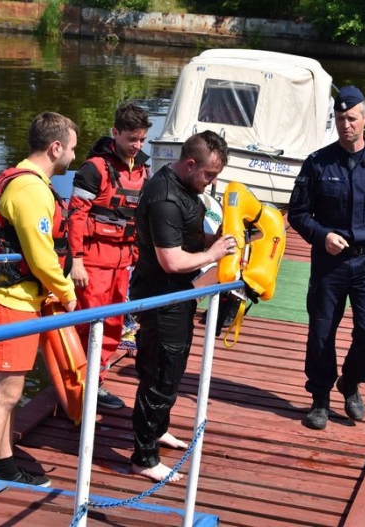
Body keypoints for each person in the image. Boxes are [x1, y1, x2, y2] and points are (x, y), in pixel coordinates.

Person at [287, 86, 365, 431]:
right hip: (330, 263)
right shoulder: (318, 163)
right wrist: (321, 235)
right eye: (340, 119)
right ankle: (320, 399)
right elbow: (297, 213)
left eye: (352, 118)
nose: (345, 125)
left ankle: (351, 382)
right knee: (322, 333)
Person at [0, 111, 79, 488]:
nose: (73, 158)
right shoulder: (31, 190)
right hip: (7, 301)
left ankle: (4, 465)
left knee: (7, 392)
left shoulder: (14, 177)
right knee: (4, 394)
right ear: (55, 148)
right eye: (71, 149)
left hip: (11, 298)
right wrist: (67, 293)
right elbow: (41, 255)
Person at [129, 130, 238, 482]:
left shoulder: (188, 189)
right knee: (160, 373)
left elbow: (185, 236)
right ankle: (144, 458)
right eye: (209, 174)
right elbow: (172, 261)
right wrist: (214, 254)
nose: (212, 182)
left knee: (170, 369)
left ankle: (158, 429)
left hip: (178, 296)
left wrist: (217, 238)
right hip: (162, 295)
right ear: (190, 164)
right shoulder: (164, 197)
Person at [68, 103, 153, 410]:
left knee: (115, 325)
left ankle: (95, 380)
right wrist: (75, 259)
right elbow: (76, 215)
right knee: (89, 325)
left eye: (142, 139)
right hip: (92, 261)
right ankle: (80, 386)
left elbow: (143, 216)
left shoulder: (143, 168)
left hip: (122, 262)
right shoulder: (94, 168)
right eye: (132, 139)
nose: (137, 146)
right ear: (115, 133)